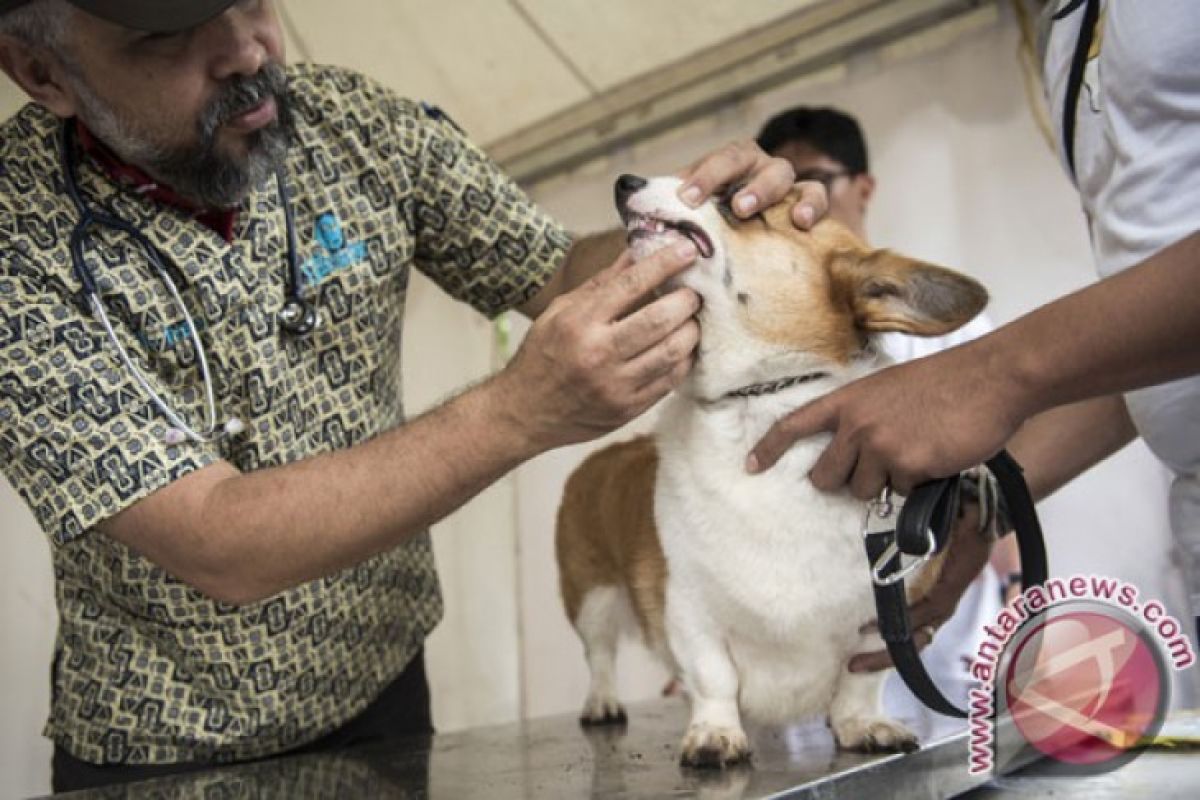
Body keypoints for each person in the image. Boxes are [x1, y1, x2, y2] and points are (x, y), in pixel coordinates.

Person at [0, 0, 826, 791]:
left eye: (252, 0)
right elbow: (218, 542)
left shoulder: (356, 125)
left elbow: (556, 270)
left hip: (386, 694)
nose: (246, 51)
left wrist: (705, 229)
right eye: (168, 35)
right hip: (168, 748)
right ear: (45, 73)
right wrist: (519, 412)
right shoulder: (18, 244)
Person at [748, 0, 1200, 661]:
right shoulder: (1057, 31)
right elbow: (1159, 354)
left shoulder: (932, 318)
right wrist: (985, 504)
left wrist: (993, 374)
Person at [757, 106, 1020, 732]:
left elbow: (1004, 468)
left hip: (946, 631)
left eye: (814, 177)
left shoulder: (944, 321)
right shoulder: (766, 340)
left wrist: (1018, 602)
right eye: (778, 187)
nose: (799, 201)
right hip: (804, 647)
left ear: (864, 186)